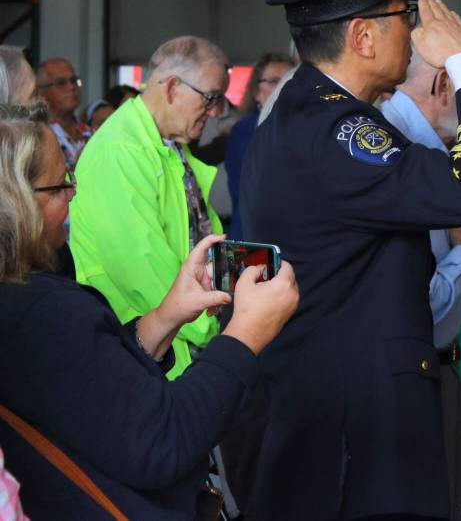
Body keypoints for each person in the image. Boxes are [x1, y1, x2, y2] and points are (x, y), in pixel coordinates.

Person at [241, 0, 461, 519]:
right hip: (354, 436)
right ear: (363, 38)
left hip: (344, 416)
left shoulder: (312, 115)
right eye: (406, 18)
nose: (419, 32)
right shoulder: (338, 132)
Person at [0, 102, 299, 519]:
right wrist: (245, 334)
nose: (74, 191)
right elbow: (165, 441)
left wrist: (165, 318)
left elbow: (95, 393)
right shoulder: (43, 312)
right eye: (60, 184)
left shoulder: (20, 298)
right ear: (18, 202)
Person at [70, 36, 230, 379]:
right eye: (211, 97)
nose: (215, 111)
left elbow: (199, 233)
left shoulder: (166, 143)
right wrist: (219, 325)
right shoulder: (120, 152)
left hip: (179, 347)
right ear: (172, 87)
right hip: (148, 358)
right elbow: (143, 274)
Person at [381, 44, 461, 521]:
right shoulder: (401, 151)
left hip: (432, 368)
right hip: (413, 374)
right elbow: (412, 299)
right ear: (445, 85)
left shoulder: (421, 146)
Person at [223, 52, 293, 240]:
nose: (281, 87)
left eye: (288, 80)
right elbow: (246, 191)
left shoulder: (300, 126)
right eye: (273, 81)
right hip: (253, 238)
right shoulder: (245, 130)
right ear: (255, 91)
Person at [36, 58, 91, 168]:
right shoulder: (36, 137)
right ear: (40, 91)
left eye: (74, 80)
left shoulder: (90, 132)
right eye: (61, 83)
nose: (71, 87)